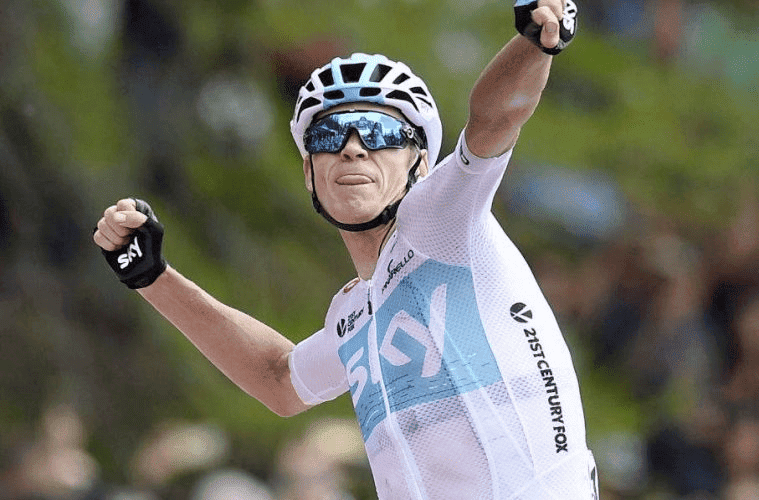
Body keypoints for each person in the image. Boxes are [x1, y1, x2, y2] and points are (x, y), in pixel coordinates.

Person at [94, 0, 597, 497]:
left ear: (421, 164)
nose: (352, 148)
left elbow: (494, 120)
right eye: (329, 136)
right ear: (309, 173)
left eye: (379, 133)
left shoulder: (444, 222)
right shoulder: (355, 315)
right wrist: (152, 277)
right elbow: (277, 378)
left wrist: (535, 43)